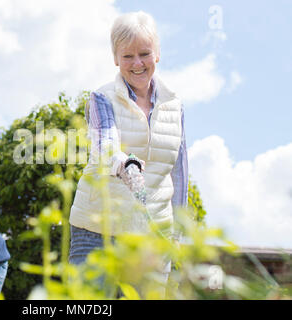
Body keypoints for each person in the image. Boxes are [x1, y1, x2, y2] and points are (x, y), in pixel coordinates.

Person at [69, 11, 188, 292]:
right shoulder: (102, 98)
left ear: (157, 53)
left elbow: (179, 171)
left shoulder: (174, 106)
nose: (137, 64)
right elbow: (104, 146)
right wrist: (126, 162)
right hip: (97, 229)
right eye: (127, 56)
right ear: (115, 58)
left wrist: (178, 231)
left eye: (144, 53)